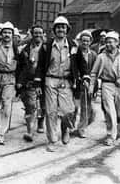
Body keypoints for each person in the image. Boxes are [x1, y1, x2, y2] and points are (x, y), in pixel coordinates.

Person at [34, 16, 77, 152]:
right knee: (51, 111)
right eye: (58, 27)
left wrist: (83, 77)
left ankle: (65, 129)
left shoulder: (73, 45)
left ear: (67, 29)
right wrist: (38, 84)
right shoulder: (47, 46)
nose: (60, 29)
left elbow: (80, 63)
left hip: (66, 81)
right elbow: (40, 66)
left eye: (63, 27)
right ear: (54, 29)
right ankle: (52, 139)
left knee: (67, 111)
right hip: (50, 80)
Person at [89, 30, 120, 146]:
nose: (108, 44)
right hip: (107, 85)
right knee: (109, 111)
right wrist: (91, 86)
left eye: (111, 42)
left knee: (119, 112)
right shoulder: (101, 57)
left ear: (117, 43)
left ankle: (119, 124)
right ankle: (111, 135)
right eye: (107, 42)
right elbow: (94, 73)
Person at [0, 21, 19, 145]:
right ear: (1, 34)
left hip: (10, 78)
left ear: (12, 34)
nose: (7, 35)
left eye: (9, 32)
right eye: (5, 32)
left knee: (6, 106)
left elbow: (21, 62)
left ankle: (1, 133)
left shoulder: (16, 46)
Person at [17, 24, 46, 141]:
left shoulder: (47, 48)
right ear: (32, 35)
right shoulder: (25, 49)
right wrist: (19, 81)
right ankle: (30, 131)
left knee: (43, 105)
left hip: (44, 81)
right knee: (31, 106)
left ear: (43, 35)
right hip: (29, 81)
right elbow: (20, 66)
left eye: (40, 33)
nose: (38, 35)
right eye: (36, 33)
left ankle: (40, 122)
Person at [73, 29, 98, 138]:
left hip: (89, 85)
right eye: (83, 41)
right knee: (74, 107)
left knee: (88, 109)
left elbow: (95, 71)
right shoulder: (74, 52)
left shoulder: (93, 55)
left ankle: (81, 127)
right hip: (76, 84)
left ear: (91, 42)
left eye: (87, 41)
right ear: (79, 41)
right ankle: (71, 127)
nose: (85, 43)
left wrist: (93, 85)